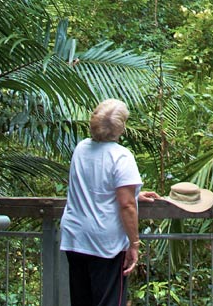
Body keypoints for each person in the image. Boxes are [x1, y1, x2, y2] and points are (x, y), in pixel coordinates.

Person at [59, 99, 161, 306]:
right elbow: (126, 205)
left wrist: (134, 194)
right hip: (105, 243)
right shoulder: (121, 156)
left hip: (76, 237)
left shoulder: (81, 149)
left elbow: (95, 185)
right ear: (121, 127)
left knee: (82, 300)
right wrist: (134, 244)